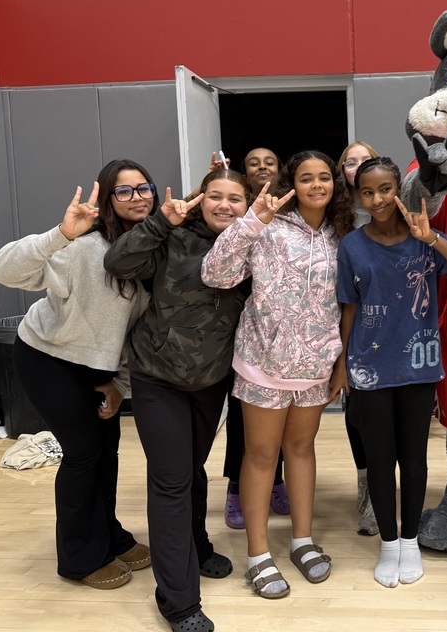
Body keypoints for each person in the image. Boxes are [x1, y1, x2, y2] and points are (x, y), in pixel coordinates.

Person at [0, 159, 158, 591]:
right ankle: (79, 558)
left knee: (108, 450)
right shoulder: (83, 247)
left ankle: (110, 537)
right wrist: (60, 234)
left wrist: (118, 385)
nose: (137, 197)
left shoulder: (151, 251)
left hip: (97, 365)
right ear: (107, 198)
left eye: (144, 188)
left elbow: (131, 332)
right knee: (83, 452)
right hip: (48, 356)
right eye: (124, 191)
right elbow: (4, 271)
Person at [202, 150, 355, 599]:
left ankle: (302, 542)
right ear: (292, 183)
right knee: (262, 456)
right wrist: (250, 221)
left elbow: (348, 305)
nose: (316, 185)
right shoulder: (266, 226)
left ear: (334, 185)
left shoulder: (341, 235)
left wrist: (340, 361)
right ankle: (258, 554)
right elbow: (216, 274)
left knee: (302, 450)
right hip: (263, 362)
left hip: (315, 365)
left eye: (324, 177)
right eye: (306, 178)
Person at [104, 169, 251, 632]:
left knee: (191, 470)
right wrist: (159, 222)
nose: (224, 205)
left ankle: (197, 545)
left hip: (211, 380)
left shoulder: (253, 243)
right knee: (169, 481)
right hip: (158, 377)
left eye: (235, 198)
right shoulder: (173, 237)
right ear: (199, 199)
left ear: (247, 205)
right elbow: (117, 263)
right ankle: (178, 600)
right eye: (215, 196)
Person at [336, 157, 447, 587]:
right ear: (358, 196)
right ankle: (389, 544)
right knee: (379, 462)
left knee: (413, 461)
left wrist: (432, 237)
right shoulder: (352, 246)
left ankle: (412, 541)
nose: (377, 199)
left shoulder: (423, 239)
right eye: (367, 191)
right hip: (369, 370)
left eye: (385, 189)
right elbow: (349, 309)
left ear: (400, 189)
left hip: (418, 365)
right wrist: (342, 365)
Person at [223, 146, 290, 530]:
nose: (263, 167)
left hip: (277, 331)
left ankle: (276, 480)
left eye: (270, 161)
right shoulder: (236, 208)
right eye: (254, 163)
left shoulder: (287, 210)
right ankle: (235, 487)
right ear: (243, 174)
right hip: (238, 326)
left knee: (280, 419)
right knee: (241, 418)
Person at [336, 140, 379, 536]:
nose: (358, 165)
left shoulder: (389, 205)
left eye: (365, 159)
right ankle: (367, 491)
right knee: (357, 417)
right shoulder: (337, 215)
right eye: (350, 161)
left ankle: (387, 490)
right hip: (346, 322)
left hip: (389, 326)